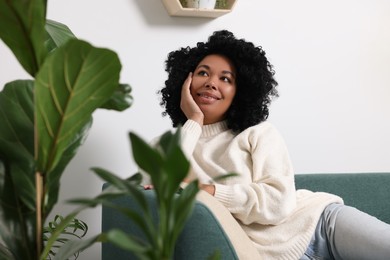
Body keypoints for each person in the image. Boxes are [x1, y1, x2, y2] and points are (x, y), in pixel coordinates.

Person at [148, 30, 390, 259]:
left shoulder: (259, 133)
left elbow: (277, 202)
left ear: (239, 92)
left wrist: (208, 191)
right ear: (185, 82)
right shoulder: (166, 146)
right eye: (203, 73)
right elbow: (157, 188)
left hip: (320, 224)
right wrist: (194, 122)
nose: (212, 82)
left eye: (225, 78)